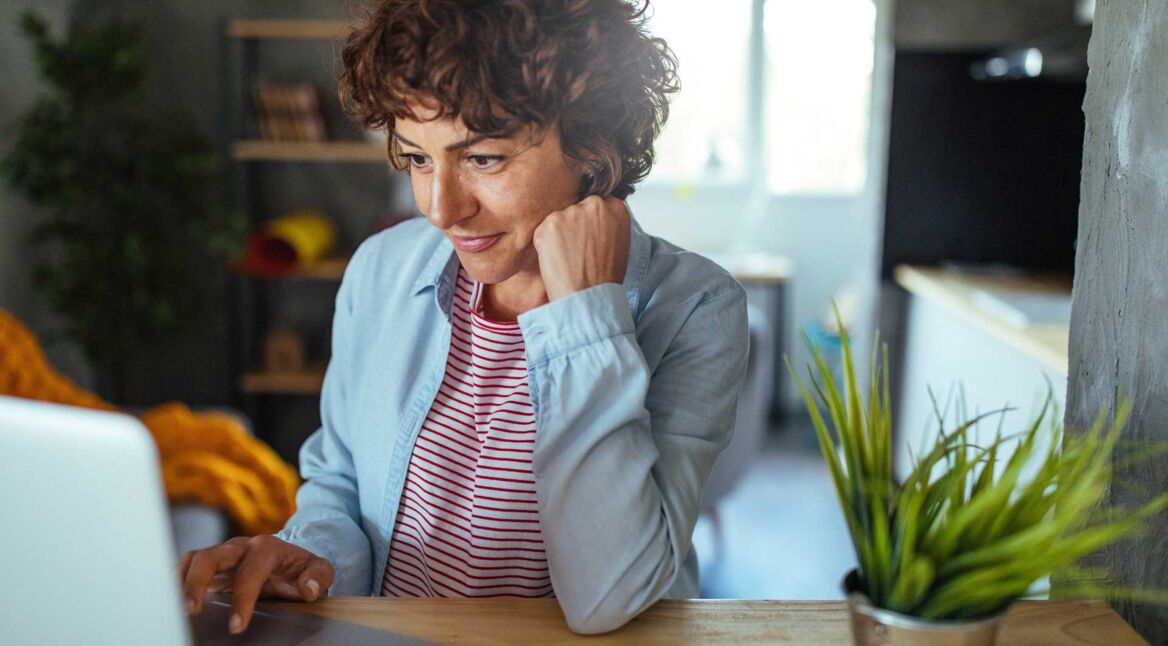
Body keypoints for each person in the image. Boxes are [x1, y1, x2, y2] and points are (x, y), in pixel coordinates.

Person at [179, 0, 749, 635]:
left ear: (593, 141)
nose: (440, 209)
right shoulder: (380, 271)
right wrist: (316, 560)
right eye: (419, 158)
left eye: (483, 159)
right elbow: (338, 483)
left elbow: (609, 595)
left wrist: (588, 318)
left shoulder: (695, 307)